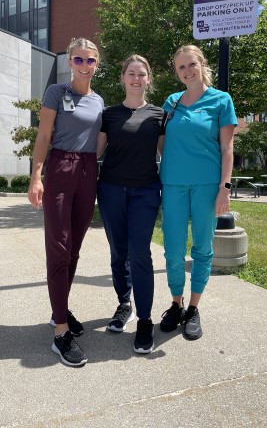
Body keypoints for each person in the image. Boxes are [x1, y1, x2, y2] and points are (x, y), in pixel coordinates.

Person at [28, 37, 104, 367]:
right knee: (58, 248)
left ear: (96, 65)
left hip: (88, 171)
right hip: (60, 166)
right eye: (78, 60)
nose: (84, 65)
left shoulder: (100, 101)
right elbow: (44, 135)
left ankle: (60, 307)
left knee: (74, 249)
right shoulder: (57, 93)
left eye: (90, 61)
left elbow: (99, 141)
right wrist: (36, 176)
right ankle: (61, 333)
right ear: (69, 62)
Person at [159, 44, 237, 340]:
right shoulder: (172, 102)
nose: (187, 71)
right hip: (173, 184)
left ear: (202, 65)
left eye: (192, 64)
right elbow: (161, 140)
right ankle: (175, 304)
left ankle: (193, 308)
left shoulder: (221, 100)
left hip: (207, 185)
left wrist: (224, 188)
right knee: (174, 250)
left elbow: (227, 147)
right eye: (181, 67)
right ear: (177, 73)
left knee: (202, 249)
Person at [96, 55, 165, 354]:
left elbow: (171, 153)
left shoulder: (160, 115)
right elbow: (94, 152)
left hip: (145, 192)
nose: (137, 78)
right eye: (131, 73)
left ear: (149, 79)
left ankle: (145, 320)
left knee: (140, 254)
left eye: (142, 74)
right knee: (118, 251)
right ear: (122, 78)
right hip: (111, 189)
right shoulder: (109, 114)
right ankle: (124, 304)